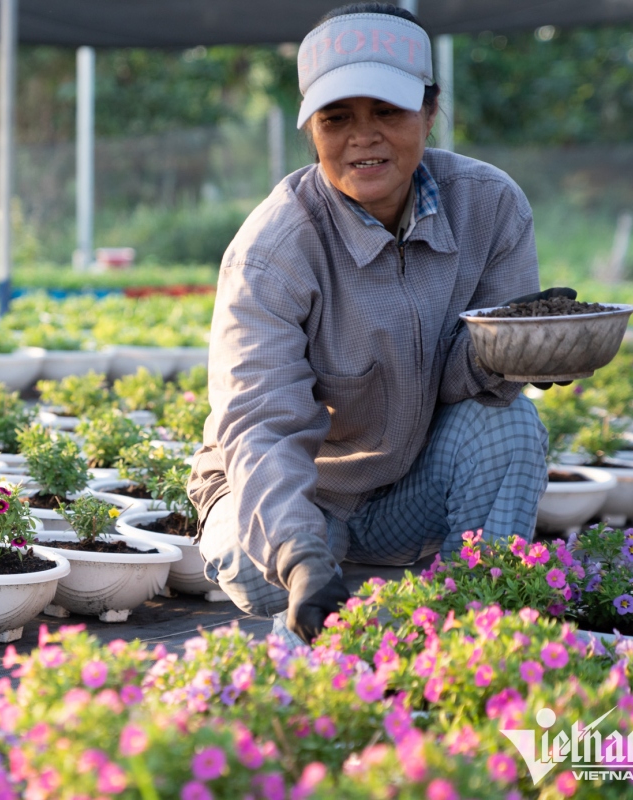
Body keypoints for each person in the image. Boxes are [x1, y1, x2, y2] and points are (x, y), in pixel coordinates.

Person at [187, 2, 572, 646]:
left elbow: (462, 384)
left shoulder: (489, 206)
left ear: (429, 111)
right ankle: (331, 576)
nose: (362, 138)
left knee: (508, 423)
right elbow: (261, 424)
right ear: (312, 128)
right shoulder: (275, 248)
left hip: (402, 490)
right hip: (301, 489)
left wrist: (506, 356)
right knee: (263, 576)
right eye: (337, 118)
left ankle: (469, 639)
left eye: (387, 113)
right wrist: (303, 560)